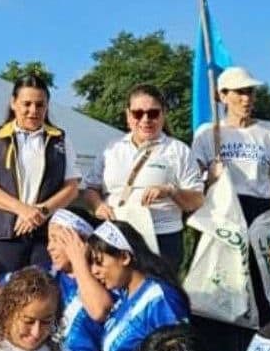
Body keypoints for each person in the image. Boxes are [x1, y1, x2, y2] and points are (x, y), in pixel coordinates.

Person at [191, 66, 270, 351]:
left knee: (262, 298)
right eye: (239, 92)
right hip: (224, 216)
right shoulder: (208, 134)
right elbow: (194, 186)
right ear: (223, 97)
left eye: (250, 92)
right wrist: (211, 178)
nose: (246, 99)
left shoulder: (269, 132)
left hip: (260, 216)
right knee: (222, 296)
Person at [83, 84, 203, 268]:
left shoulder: (178, 150)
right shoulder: (111, 149)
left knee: (159, 292)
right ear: (128, 116)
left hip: (162, 237)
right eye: (138, 113)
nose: (146, 119)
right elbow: (90, 188)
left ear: (163, 114)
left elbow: (197, 200)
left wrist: (170, 191)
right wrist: (98, 206)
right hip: (115, 233)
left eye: (153, 113)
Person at [0, 73, 82, 275]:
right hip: (5, 232)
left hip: (45, 233)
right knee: (8, 292)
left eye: (39, 105)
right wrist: (22, 209)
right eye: (27, 104)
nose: (33, 111)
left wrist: (41, 211)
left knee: (44, 290)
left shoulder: (59, 139)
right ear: (14, 103)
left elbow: (72, 187)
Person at [86, 220, 189, 351]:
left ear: (124, 257)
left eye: (99, 262)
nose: (94, 271)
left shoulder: (159, 297)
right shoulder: (123, 298)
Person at [45, 209, 110, 351]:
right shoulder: (47, 276)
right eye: (48, 240)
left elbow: (99, 310)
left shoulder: (104, 279)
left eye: (56, 240)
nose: (49, 247)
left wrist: (78, 260)